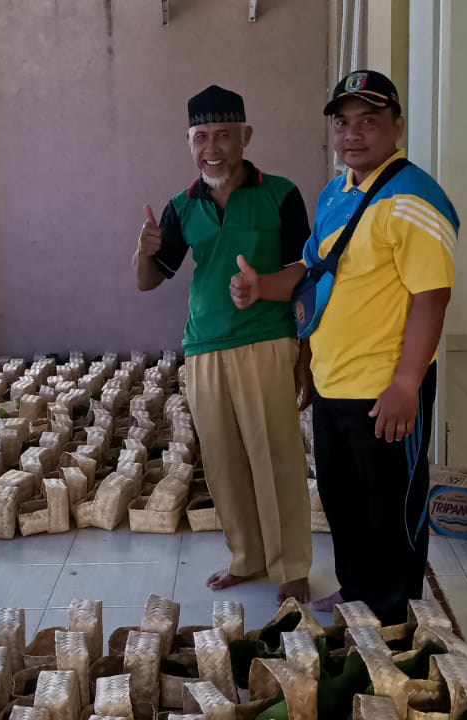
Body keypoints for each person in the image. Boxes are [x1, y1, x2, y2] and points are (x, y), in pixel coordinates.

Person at [230, 70, 459, 623]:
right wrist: (263, 286)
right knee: (346, 504)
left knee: (391, 509)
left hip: (385, 392)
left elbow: (433, 297)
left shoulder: (412, 199)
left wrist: (407, 384)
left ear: (397, 127)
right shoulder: (337, 192)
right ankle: (358, 595)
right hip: (335, 385)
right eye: (343, 122)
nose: (353, 134)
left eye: (369, 121)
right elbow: (312, 269)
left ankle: (395, 618)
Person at [134, 85, 315, 604]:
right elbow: (150, 280)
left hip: (266, 339)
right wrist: (142, 252)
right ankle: (247, 557)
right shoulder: (180, 205)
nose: (212, 147)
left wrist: (304, 352)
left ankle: (291, 565)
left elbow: (304, 272)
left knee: (275, 455)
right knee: (223, 461)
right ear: (190, 141)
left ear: (245, 138)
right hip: (204, 347)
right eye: (201, 137)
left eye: (223, 135)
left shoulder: (280, 193)